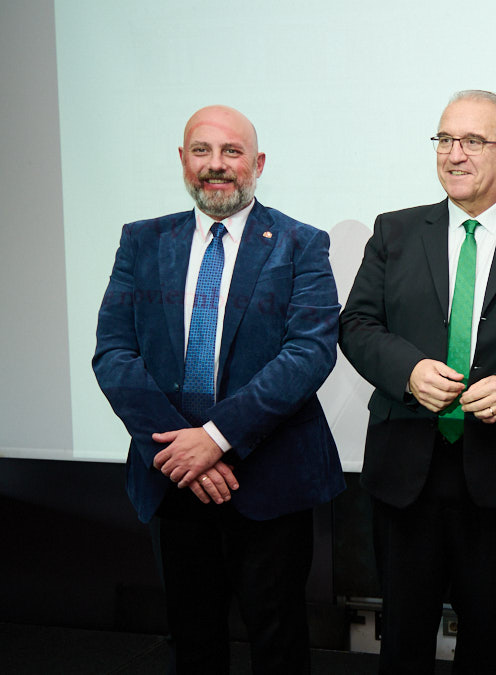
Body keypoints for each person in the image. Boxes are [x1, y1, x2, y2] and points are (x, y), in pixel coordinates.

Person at [339, 90, 496, 673]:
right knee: (402, 634)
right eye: (445, 139)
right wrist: (409, 372)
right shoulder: (395, 231)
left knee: (486, 635)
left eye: (473, 141)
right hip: (405, 469)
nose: (455, 154)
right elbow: (356, 324)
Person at [93, 105, 344, 673]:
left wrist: (216, 436)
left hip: (271, 479)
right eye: (201, 151)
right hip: (173, 477)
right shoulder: (142, 241)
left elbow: (309, 353)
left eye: (231, 153)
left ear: (256, 163)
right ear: (183, 160)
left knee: (278, 642)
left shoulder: (301, 243)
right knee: (193, 640)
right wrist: (182, 449)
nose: (216, 166)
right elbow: (114, 352)